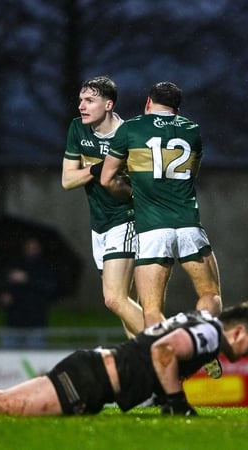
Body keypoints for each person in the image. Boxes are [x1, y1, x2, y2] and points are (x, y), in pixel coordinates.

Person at [0, 301, 248, 417]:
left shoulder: (203, 324)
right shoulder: (208, 333)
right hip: (92, 378)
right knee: (2, 405)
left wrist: (164, 395)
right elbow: (163, 351)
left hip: (97, 376)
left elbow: (157, 356)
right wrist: (176, 402)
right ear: (237, 330)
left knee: (3, 404)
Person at [100, 82, 223, 377]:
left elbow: (107, 179)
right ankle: (201, 343)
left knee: (151, 309)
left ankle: (169, 363)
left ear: (147, 103)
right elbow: (189, 175)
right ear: (177, 109)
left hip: (152, 229)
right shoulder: (192, 130)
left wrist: (133, 192)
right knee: (210, 293)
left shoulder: (129, 130)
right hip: (188, 225)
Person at [61, 76, 144, 338]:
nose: (81, 106)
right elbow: (67, 180)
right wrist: (98, 169)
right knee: (126, 303)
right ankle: (146, 364)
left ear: (108, 105)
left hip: (127, 220)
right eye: (81, 100)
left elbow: (140, 187)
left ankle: (180, 346)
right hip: (99, 225)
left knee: (113, 298)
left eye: (90, 101)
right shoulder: (78, 129)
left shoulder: (129, 135)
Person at [0, 237, 59, 349]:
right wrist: (5, 295)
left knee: (35, 358)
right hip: (13, 321)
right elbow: (3, 286)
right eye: (29, 246)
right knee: (7, 359)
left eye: (34, 247)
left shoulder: (46, 267)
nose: (31, 249)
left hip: (36, 321)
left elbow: (50, 287)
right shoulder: (14, 264)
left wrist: (27, 279)